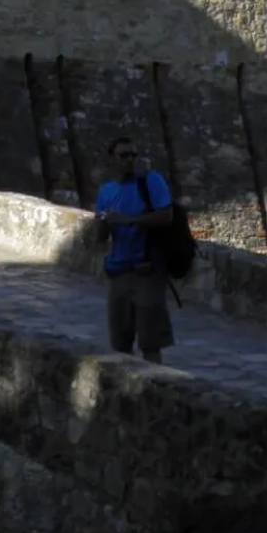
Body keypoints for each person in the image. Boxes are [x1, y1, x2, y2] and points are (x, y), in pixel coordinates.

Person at [94, 135, 175, 363]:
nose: (129, 160)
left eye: (133, 155)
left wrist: (129, 221)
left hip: (147, 271)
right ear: (112, 159)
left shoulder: (151, 182)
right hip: (118, 273)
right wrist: (102, 222)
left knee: (150, 343)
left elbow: (166, 215)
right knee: (120, 344)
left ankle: (155, 389)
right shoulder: (106, 192)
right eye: (123, 155)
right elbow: (100, 237)